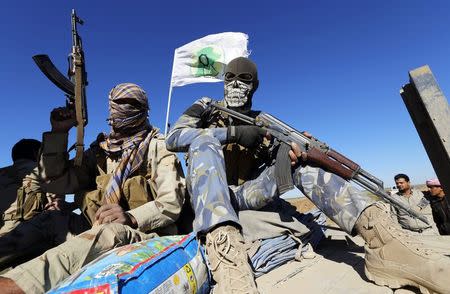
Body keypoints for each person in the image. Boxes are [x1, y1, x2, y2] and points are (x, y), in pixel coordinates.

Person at [166, 57, 450, 294]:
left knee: (305, 160)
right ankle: (227, 259)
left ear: (255, 86)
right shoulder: (205, 105)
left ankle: (383, 242)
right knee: (203, 143)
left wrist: (292, 152)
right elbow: (174, 137)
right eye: (230, 77)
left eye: (244, 79)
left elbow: (275, 167)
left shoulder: (263, 122)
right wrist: (232, 133)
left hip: (247, 194)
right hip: (211, 198)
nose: (236, 84)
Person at [0, 83, 186, 293]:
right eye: (116, 104)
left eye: (129, 104)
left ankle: (15, 287)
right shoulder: (99, 152)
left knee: (111, 231)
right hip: (93, 227)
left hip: (143, 235)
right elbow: (57, 181)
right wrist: (59, 133)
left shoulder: (158, 147)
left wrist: (131, 217)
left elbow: (172, 202)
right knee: (51, 219)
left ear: (143, 110)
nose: (120, 109)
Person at [0, 139, 65, 235]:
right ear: (37, 154)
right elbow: (57, 207)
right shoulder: (43, 172)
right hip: (23, 236)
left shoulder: (2, 172)